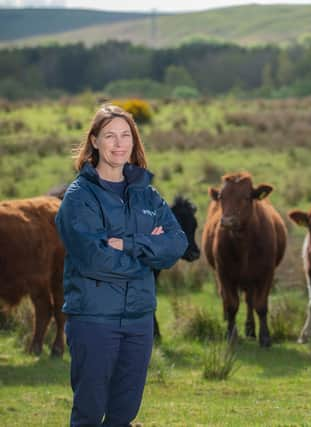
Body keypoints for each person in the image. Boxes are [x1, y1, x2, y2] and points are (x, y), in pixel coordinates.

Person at [56, 104, 188, 426]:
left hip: (139, 321)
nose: (119, 144)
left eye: (126, 135)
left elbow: (177, 243)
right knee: (89, 412)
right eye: (110, 136)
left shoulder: (147, 195)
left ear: (134, 141)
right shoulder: (79, 197)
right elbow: (93, 259)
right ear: (95, 142)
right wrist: (147, 258)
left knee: (125, 413)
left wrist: (127, 244)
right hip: (93, 319)